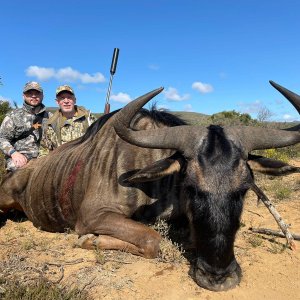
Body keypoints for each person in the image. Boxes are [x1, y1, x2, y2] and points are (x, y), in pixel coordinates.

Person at [0, 81, 50, 171]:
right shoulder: (13, 116)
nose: (34, 96)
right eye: (30, 93)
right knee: (16, 170)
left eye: (37, 93)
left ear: (42, 95)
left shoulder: (50, 117)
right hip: (21, 158)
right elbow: (2, 138)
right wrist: (13, 153)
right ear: (23, 96)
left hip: (45, 159)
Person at [39, 85, 96, 156]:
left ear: (75, 100)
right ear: (57, 102)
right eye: (62, 98)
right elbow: (44, 150)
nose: (66, 101)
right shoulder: (51, 124)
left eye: (69, 97)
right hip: (60, 164)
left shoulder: (89, 119)